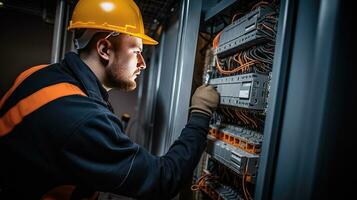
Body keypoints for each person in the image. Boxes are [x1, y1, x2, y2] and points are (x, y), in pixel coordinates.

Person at [0, 0, 219, 199]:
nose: (143, 63)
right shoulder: (83, 118)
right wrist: (200, 112)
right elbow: (163, 180)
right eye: (136, 51)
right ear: (105, 49)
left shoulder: (37, 73)